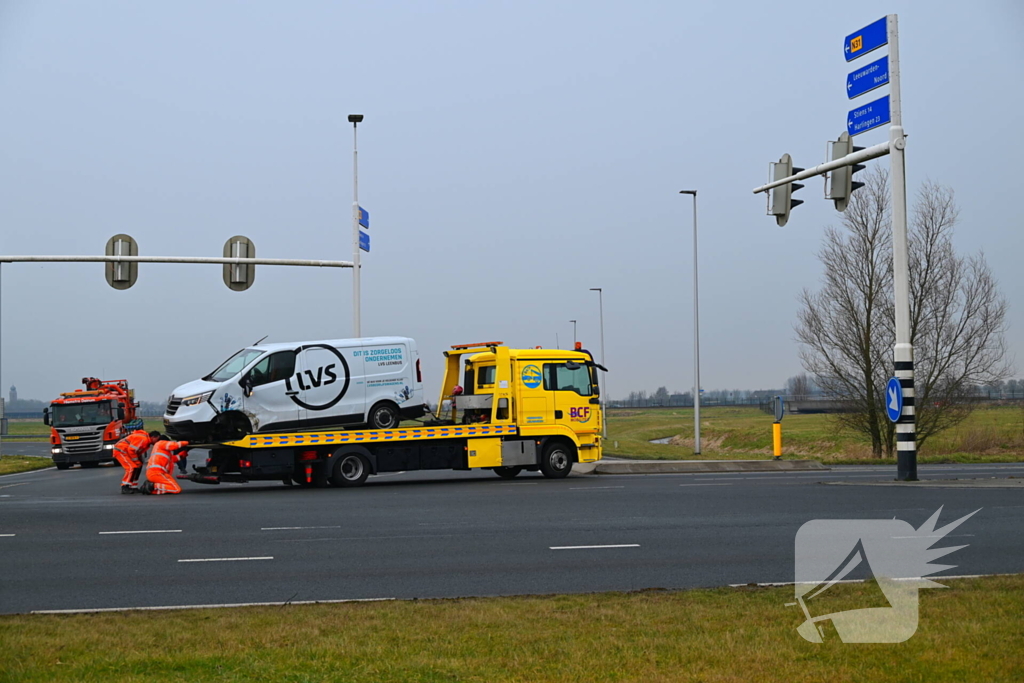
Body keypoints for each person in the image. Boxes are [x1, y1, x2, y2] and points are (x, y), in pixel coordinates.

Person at [112, 429, 161, 494]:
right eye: (157, 440)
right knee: (131, 468)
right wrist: (137, 461)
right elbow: (131, 450)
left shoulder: (146, 440)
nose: (157, 442)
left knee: (138, 467)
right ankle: (124, 486)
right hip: (121, 451)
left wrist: (138, 461)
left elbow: (136, 451)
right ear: (153, 437)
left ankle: (133, 486)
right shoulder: (143, 439)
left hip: (126, 451)